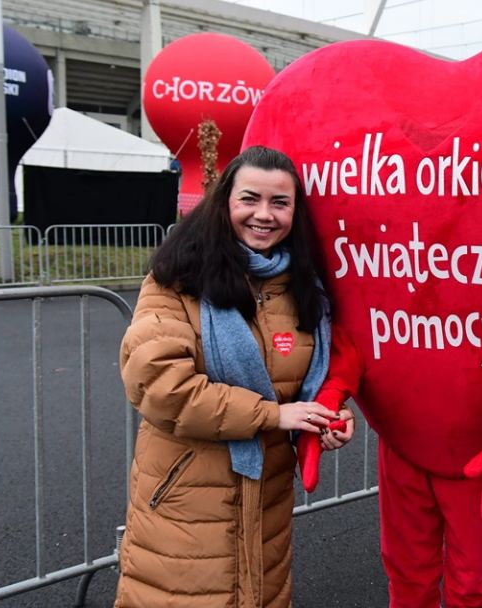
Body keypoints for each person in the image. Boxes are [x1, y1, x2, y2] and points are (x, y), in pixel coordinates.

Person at [114, 146, 358, 608]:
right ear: (225, 201)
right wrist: (273, 415)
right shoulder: (178, 278)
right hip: (186, 496)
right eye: (250, 199)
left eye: (279, 203)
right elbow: (160, 386)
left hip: (267, 500)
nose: (263, 215)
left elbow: (306, 388)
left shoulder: (304, 289)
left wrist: (327, 419)